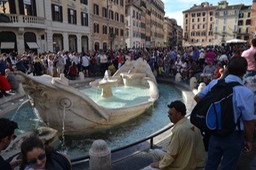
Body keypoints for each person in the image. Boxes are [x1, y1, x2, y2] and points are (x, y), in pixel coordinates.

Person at [194, 56, 255, 169]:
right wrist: (249, 140)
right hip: (234, 135)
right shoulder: (246, 92)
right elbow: (248, 121)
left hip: (215, 131)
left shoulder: (215, 84)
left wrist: (211, 113)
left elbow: (197, 97)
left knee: (211, 164)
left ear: (228, 69)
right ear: (245, 70)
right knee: (228, 166)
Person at [147, 100, 206, 170]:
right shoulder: (193, 127)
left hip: (181, 166)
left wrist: (159, 165)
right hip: (194, 164)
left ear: (178, 114)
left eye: (170, 113)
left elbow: (172, 156)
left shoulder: (179, 130)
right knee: (155, 152)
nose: (168, 115)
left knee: (148, 168)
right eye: (168, 113)